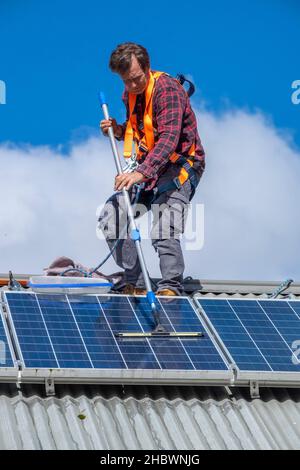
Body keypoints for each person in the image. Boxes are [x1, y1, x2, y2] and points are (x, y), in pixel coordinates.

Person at [99, 42, 205, 296]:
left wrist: (140, 173)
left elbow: (168, 138)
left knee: (163, 226)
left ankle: (170, 288)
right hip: (150, 171)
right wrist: (118, 130)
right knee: (111, 217)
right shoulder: (131, 94)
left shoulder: (168, 90)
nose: (132, 86)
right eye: (126, 81)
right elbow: (140, 131)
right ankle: (134, 281)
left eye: (136, 79)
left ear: (146, 67)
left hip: (177, 167)